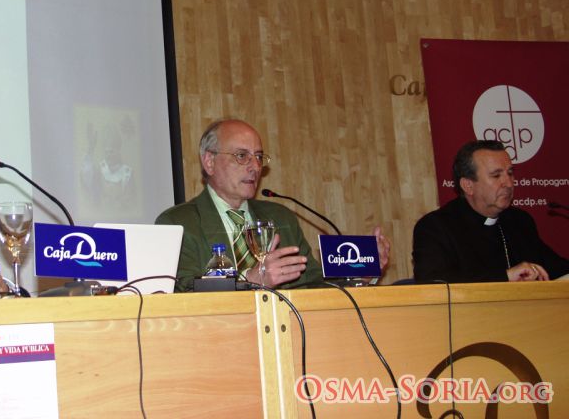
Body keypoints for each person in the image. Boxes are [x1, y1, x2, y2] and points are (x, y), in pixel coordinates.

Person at [156, 119, 390, 291]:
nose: (255, 167)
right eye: (241, 156)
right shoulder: (178, 223)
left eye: (258, 157)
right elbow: (179, 291)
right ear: (209, 161)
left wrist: (362, 274)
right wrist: (249, 280)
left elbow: (314, 286)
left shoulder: (281, 218)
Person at [413, 140, 569, 283]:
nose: (509, 183)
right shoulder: (435, 227)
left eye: (510, 173)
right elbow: (432, 282)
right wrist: (506, 276)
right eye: (496, 175)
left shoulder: (519, 221)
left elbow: (556, 268)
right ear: (468, 185)